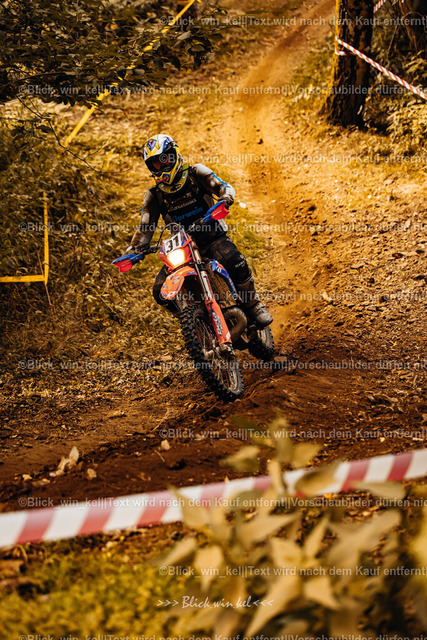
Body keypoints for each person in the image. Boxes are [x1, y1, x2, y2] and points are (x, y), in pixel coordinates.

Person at [127, 133, 273, 328]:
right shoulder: (154, 195)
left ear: (174, 154)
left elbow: (222, 186)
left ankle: (254, 305)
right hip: (183, 247)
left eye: (164, 159)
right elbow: (145, 227)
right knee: (159, 290)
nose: (161, 167)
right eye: (155, 164)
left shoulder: (196, 173)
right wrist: (134, 251)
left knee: (235, 260)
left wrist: (225, 198)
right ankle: (195, 321)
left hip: (212, 237)